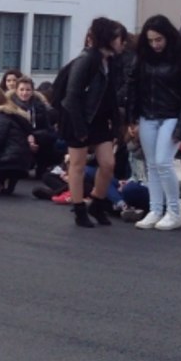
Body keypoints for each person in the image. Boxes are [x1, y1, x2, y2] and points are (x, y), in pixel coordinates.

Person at [125, 14, 181, 231]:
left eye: (159, 39)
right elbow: (133, 87)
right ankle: (155, 209)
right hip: (148, 115)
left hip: (172, 115)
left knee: (163, 162)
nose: (155, 44)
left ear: (167, 37)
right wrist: (132, 117)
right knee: (153, 164)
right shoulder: (143, 57)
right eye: (151, 40)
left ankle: (174, 212)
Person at [60, 17, 126, 228]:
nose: (121, 42)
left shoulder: (111, 62)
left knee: (108, 164)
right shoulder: (86, 60)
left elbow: (110, 96)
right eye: (118, 37)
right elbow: (71, 96)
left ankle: (97, 201)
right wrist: (80, 128)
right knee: (77, 165)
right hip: (77, 117)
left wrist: (116, 124)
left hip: (98, 119)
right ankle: (79, 208)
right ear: (108, 38)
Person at [10, 76, 60, 178]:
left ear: (32, 91)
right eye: (22, 90)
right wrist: (28, 138)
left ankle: (42, 168)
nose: (25, 93)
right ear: (16, 91)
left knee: (47, 138)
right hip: (17, 137)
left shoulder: (39, 106)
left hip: (37, 137)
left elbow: (47, 126)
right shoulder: (10, 106)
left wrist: (35, 137)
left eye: (28, 90)